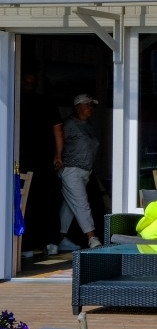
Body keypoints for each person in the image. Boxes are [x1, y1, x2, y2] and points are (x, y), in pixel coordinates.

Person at [18, 71, 64, 256]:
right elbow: (58, 130)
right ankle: (51, 242)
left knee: (25, 201)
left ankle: (26, 246)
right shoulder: (46, 102)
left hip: (22, 158)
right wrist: (58, 155)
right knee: (48, 201)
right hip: (44, 158)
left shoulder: (14, 100)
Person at [55, 94, 103, 251]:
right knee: (82, 204)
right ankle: (92, 238)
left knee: (69, 207)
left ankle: (57, 241)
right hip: (71, 169)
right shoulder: (69, 124)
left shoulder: (88, 125)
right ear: (77, 107)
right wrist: (57, 156)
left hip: (85, 172)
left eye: (91, 105)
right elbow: (57, 139)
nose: (90, 108)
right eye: (87, 104)